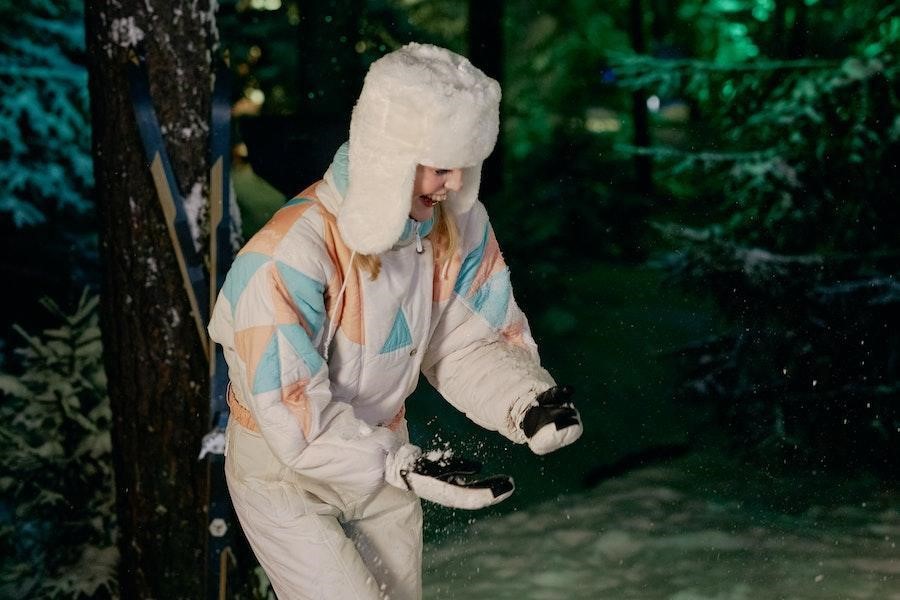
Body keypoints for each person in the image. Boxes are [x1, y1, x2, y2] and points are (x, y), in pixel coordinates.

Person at [208, 42, 583, 600]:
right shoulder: (286, 257)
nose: (455, 184)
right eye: (439, 167)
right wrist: (405, 466)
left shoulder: (453, 227)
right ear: (389, 158)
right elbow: (295, 413)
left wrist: (527, 400)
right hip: (285, 470)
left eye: (463, 166)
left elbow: (465, 343)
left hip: (384, 448)